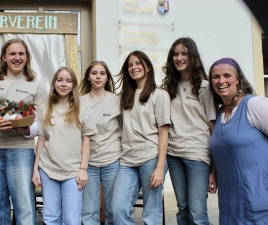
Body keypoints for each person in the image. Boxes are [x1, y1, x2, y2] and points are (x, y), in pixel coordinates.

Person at [0, 38, 47, 224]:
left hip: (22, 150)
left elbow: (41, 123)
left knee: (24, 206)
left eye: (21, 53)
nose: (17, 57)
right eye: (12, 54)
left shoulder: (36, 85)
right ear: (4, 57)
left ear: (27, 57)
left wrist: (26, 130)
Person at [209, 58, 268, 224]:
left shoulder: (255, 105)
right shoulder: (221, 113)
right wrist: (214, 173)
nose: (221, 81)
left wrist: (261, 164)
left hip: (262, 195)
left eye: (227, 75)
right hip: (233, 201)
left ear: (237, 79)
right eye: (216, 77)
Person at [161, 37, 217, 225]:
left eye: (184, 53)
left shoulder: (205, 87)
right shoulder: (168, 88)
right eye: (175, 54)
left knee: (197, 212)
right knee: (183, 209)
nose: (179, 58)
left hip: (198, 155)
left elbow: (213, 127)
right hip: (174, 154)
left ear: (192, 56)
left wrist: (215, 168)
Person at [32, 67, 97, 224]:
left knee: (72, 219)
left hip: (73, 172)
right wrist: (36, 169)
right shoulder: (43, 109)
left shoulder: (83, 107)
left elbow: (86, 140)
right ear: (54, 82)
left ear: (73, 85)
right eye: (60, 80)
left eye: (68, 81)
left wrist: (83, 169)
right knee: (50, 217)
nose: (63, 84)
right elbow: (41, 139)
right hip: (48, 169)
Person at [112, 50, 171, 224]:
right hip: (127, 161)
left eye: (138, 63)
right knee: (118, 209)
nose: (134, 67)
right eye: (130, 65)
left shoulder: (159, 95)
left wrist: (160, 167)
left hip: (150, 158)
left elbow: (164, 132)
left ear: (148, 67)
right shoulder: (124, 97)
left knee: (151, 214)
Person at [79, 61, 122, 225]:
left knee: (113, 209)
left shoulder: (117, 100)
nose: (98, 76)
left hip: (112, 160)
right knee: (88, 211)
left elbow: (124, 128)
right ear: (88, 77)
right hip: (88, 163)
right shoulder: (79, 101)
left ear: (107, 78)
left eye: (102, 73)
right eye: (94, 73)